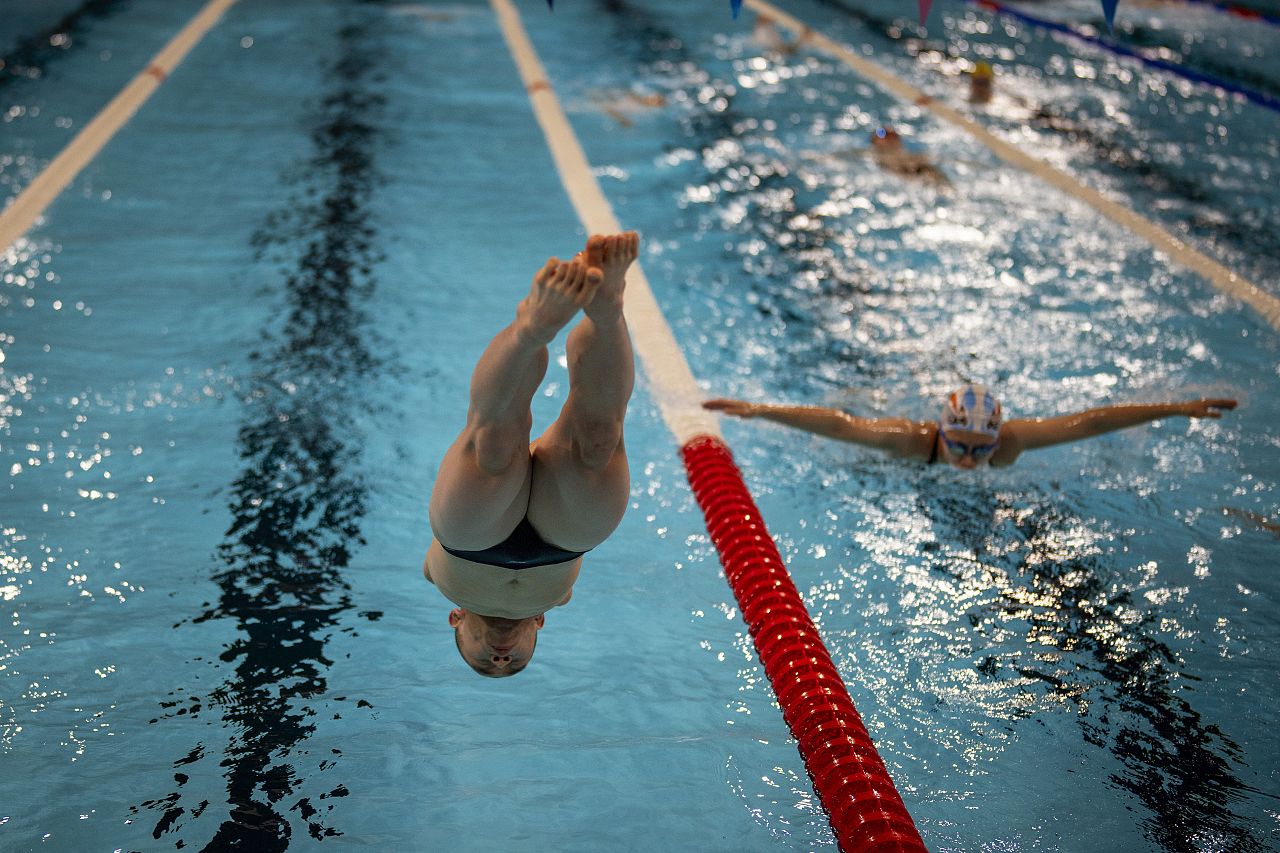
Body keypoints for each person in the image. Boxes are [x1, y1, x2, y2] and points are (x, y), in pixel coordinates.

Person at [424, 232, 639, 676]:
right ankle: (608, 306)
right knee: (599, 439)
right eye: (516, 661)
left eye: (484, 661)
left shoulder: (443, 585)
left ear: (456, 619)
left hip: (469, 542)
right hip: (564, 542)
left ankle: (532, 328)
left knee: (494, 445)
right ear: (540, 622)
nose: (501, 657)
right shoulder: (558, 597)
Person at [703, 383, 1237, 469]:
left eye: (981, 451)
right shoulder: (914, 442)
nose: (968, 460)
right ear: (941, 431)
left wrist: (1174, 408)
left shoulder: (1010, 444)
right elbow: (843, 426)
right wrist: (760, 410)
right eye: (960, 445)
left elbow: (1092, 422)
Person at [868, 126, 951, 187]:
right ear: (875, 142)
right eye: (882, 132)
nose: (890, 136)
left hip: (919, 177)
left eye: (893, 134)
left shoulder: (915, 158)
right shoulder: (873, 157)